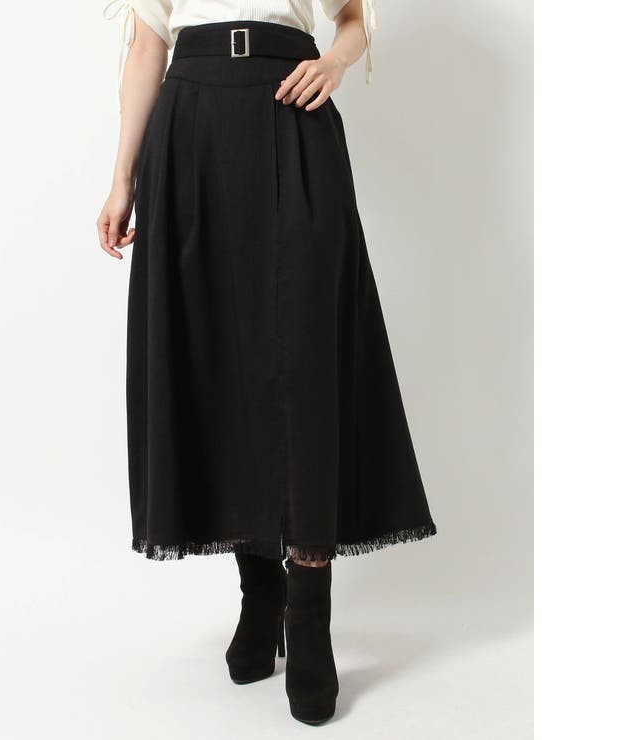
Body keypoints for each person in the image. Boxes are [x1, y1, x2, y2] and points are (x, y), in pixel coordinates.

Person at [97, 0, 436, 725]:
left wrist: (334, 63)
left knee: (304, 368)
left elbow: (353, 17)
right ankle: (261, 593)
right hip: (192, 131)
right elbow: (147, 49)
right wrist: (123, 177)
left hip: (292, 115)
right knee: (220, 362)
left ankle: (310, 614)